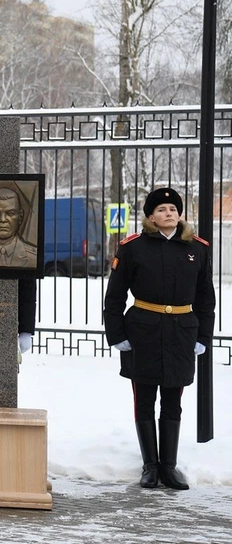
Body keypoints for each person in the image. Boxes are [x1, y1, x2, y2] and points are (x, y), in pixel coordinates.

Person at [104, 187, 215, 491]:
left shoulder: (198, 248)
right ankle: (150, 466)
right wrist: (117, 335)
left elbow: (206, 299)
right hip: (143, 331)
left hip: (181, 331)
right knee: (144, 399)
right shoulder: (132, 247)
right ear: (150, 216)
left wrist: (203, 335)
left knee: (172, 400)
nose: (169, 214)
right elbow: (114, 296)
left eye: (173, 209)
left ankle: (170, 466)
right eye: (162, 209)